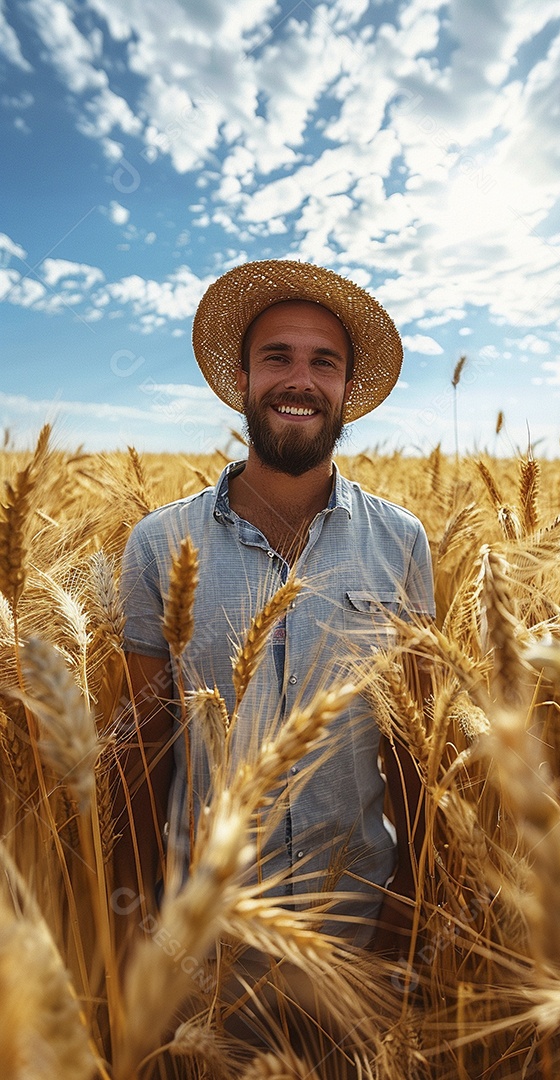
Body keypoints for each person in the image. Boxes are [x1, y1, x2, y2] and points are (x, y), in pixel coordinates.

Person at [118, 260, 435, 964]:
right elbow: (143, 747)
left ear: (348, 389)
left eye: (324, 363)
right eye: (276, 358)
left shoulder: (401, 541)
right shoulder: (158, 544)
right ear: (241, 380)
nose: (300, 380)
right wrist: (133, 911)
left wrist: (410, 894)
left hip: (354, 920)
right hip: (205, 935)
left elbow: (413, 742)